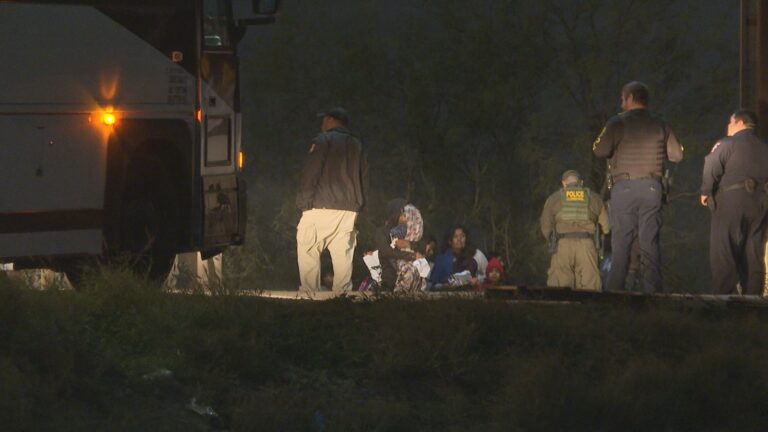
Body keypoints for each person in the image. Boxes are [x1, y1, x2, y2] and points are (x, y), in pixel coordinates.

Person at [593, 81, 683, 293]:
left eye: (623, 98)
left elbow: (599, 150)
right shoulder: (661, 123)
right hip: (652, 187)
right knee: (649, 242)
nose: (622, 102)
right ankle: (653, 294)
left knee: (621, 243)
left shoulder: (617, 122)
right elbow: (677, 154)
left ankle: (615, 293)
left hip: (623, 187)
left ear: (630, 98)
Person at [295, 106, 369, 295]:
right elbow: (364, 177)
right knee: (342, 253)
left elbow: (311, 172)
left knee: (308, 246)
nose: (322, 123)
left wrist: (304, 201)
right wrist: (359, 204)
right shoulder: (357, 144)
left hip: (321, 204)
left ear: (330, 120)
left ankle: (309, 294)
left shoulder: (323, 140)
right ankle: (342, 297)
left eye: (324, 120)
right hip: (349, 208)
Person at [700, 110, 768, 295]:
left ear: (739, 122)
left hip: (731, 201)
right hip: (760, 204)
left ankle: (724, 303)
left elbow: (712, 165)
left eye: (730, 123)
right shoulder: (764, 146)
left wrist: (706, 191)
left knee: (725, 252)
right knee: (753, 254)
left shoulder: (727, 143)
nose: (728, 127)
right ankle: (754, 304)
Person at [540, 170, 610, 291]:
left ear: (563, 183)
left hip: (562, 247)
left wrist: (553, 241)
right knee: (590, 289)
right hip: (587, 246)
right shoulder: (594, 198)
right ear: (581, 183)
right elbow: (606, 227)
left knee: (560, 289)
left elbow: (545, 227)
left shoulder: (554, 199)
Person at [372, 198, 424, 292]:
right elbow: (387, 252)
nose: (407, 217)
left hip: (411, 281)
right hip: (389, 279)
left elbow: (419, 248)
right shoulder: (381, 232)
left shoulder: (407, 233)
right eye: (403, 214)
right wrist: (411, 255)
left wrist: (409, 245)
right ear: (395, 214)